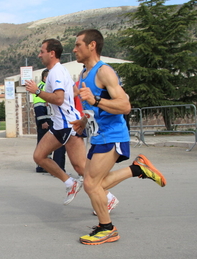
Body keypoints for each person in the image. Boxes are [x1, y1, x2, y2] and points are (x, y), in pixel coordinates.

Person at [72, 29, 166, 245]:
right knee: (94, 183)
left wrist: (95, 100)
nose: (74, 49)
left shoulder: (104, 72)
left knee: (91, 184)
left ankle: (107, 229)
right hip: (98, 136)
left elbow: (125, 106)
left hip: (112, 135)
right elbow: (94, 109)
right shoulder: (83, 75)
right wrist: (84, 122)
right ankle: (137, 169)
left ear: (92, 45)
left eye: (78, 45)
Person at [25, 38, 86, 206]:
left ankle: (106, 198)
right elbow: (73, 91)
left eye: (42, 51)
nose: (39, 55)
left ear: (52, 53)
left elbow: (59, 99)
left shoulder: (56, 72)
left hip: (68, 125)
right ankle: (70, 183)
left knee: (81, 168)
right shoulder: (59, 71)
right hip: (60, 124)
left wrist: (37, 91)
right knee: (39, 156)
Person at [33, 69, 67, 173]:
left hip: (45, 119)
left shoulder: (40, 86)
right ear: (45, 78)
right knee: (48, 143)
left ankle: (43, 166)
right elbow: (39, 105)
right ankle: (45, 166)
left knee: (43, 143)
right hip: (46, 120)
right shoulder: (43, 87)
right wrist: (43, 121)